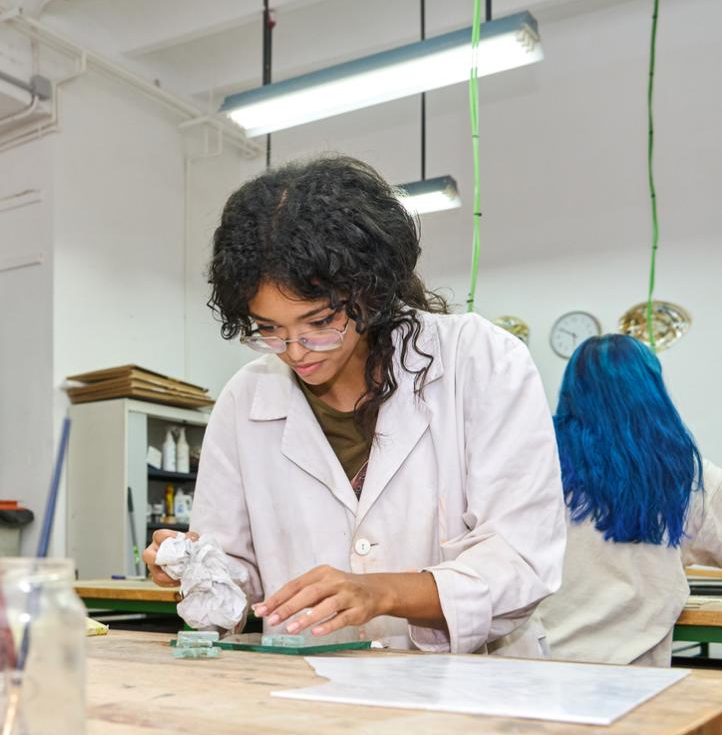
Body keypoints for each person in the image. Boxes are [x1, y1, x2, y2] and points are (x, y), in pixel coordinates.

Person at [143, 155, 565, 656]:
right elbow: (239, 576)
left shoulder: (481, 361)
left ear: (369, 293)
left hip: (476, 689)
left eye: (319, 323)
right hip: (315, 692)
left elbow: (522, 559)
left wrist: (380, 592)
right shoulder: (245, 399)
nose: (296, 350)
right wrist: (196, 565)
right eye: (269, 329)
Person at [537, 334, 722, 666]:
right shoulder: (688, 474)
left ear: (571, 390)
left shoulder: (538, 461)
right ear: (652, 389)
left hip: (535, 668)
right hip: (636, 679)